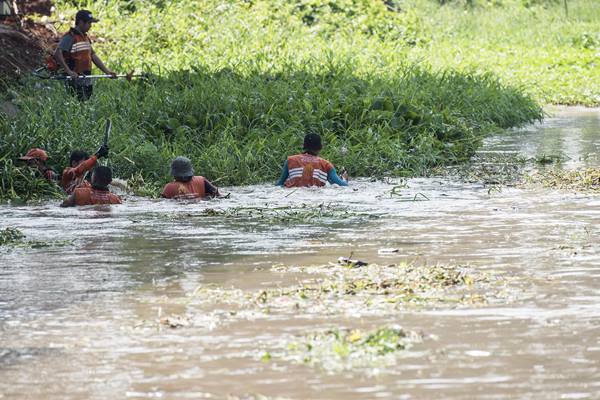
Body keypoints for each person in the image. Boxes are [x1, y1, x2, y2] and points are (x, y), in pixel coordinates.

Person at [53, 9, 116, 101]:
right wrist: (69, 72)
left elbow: (93, 56)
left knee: (85, 101)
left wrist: (107, 71)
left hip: (86, 76)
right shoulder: (70, 37)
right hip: (74, 78)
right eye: (89, 23)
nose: (90, 26)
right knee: (74, 102)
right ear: (81, 22)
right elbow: (57, 54)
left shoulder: (85, 38)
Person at [276, 133, 348, 187]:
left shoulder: (290, 160)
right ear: (320, 147)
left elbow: (279, 184)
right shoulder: (326, 165)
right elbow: (341, 185)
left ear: (303, 146)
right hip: (315, 193)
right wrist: (345, 179)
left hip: (292, 194)